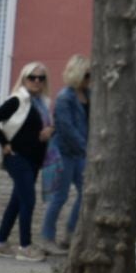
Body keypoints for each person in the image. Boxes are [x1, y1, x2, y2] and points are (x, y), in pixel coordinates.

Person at [0, 63, 54, 260]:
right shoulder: (17, 100)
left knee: (17, 201)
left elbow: (38, 130)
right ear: (24, 79)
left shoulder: (43, 104)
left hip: (34, 159)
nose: (37, 81)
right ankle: (25, 247)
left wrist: (50, 131)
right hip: (17, 157)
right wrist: (4, 142)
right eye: (32, 77)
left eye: (41, 78)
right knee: (28, 200)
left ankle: (0, 244)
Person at [42, 55, 90, 248]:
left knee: (86, 192)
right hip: (64, 152)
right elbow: (67, 128)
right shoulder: (65, 97)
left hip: (81, 153)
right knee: (59, 197)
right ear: (77, 73)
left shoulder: (90, 95)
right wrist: (87, 149)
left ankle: (70, 233)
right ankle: (47, 238)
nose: (90, 78)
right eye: (87, 74)